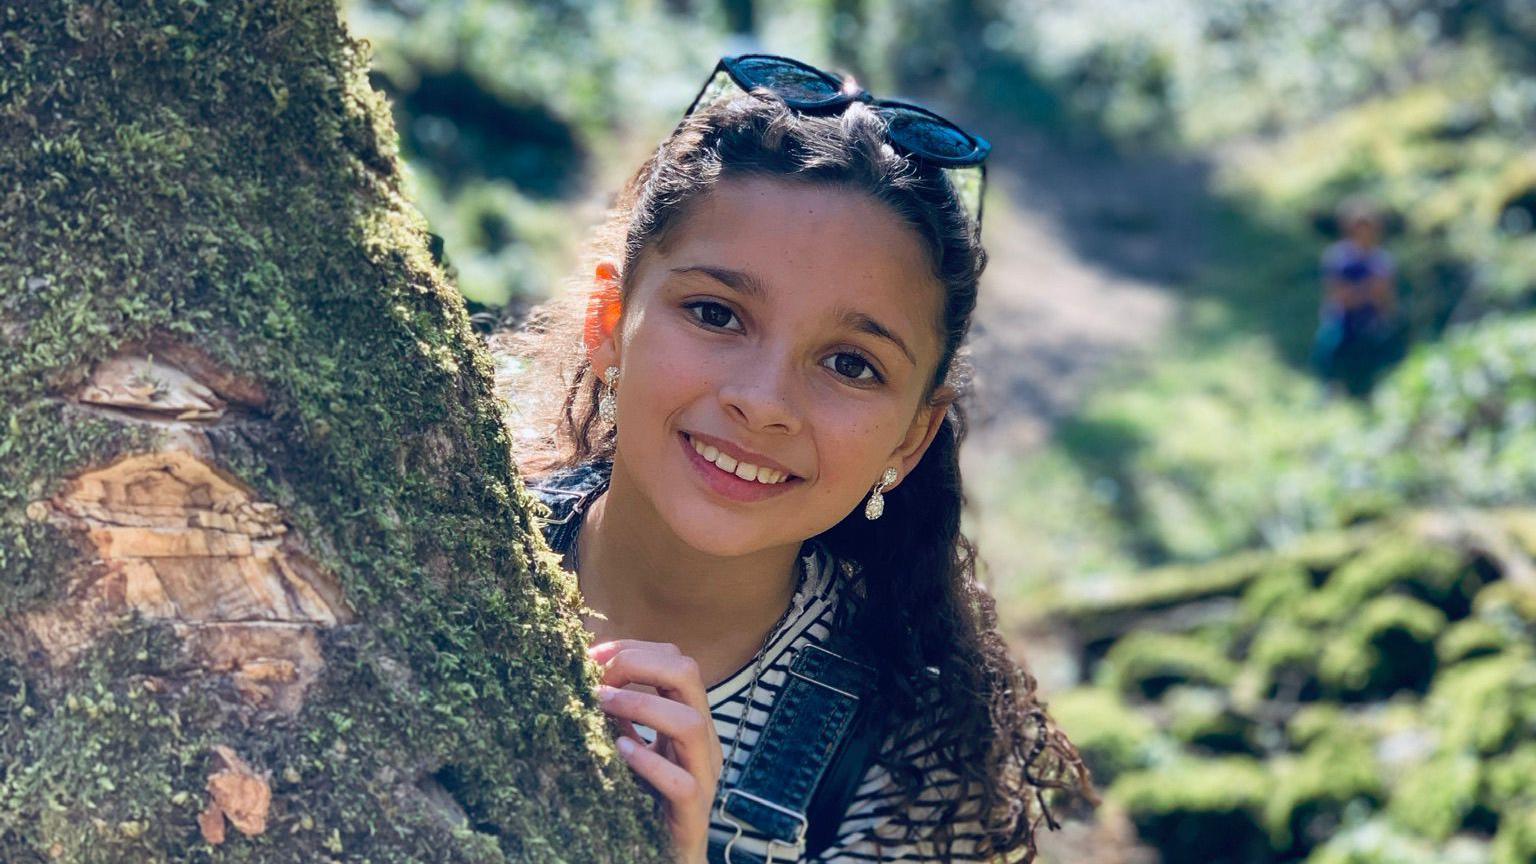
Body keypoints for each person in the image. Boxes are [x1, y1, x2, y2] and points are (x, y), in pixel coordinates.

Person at [490, 54, 1090, 863]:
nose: (765, 402)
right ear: (608, 320)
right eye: (716, 313)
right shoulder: (444, 539)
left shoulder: (915, 758)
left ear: (911, 438)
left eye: (851, 364)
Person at [1310, 196, 1404, 397]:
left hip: (1372, 323)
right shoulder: (1338, 257)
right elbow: (1340, 296)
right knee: (1328, 351)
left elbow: (1387, 297)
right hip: (1342, 322)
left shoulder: (1382, 260)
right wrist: (1369, 291)